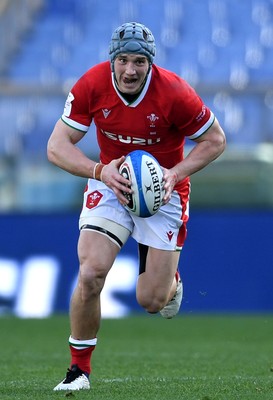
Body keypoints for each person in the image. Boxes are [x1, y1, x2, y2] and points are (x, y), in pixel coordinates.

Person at [47, 21, 226, 391]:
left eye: (140, 62)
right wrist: (100, 171)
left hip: (164, 191)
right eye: (124, 60)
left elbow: (215, 140)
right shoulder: (92, 85)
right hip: (111, 181)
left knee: (151, 300)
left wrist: (174, 175)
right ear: (112, 60)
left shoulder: (175, 92)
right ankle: (78, 371)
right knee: (91, 271)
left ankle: (169, 282)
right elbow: (56, 146)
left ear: (151, 63)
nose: (130, 70)